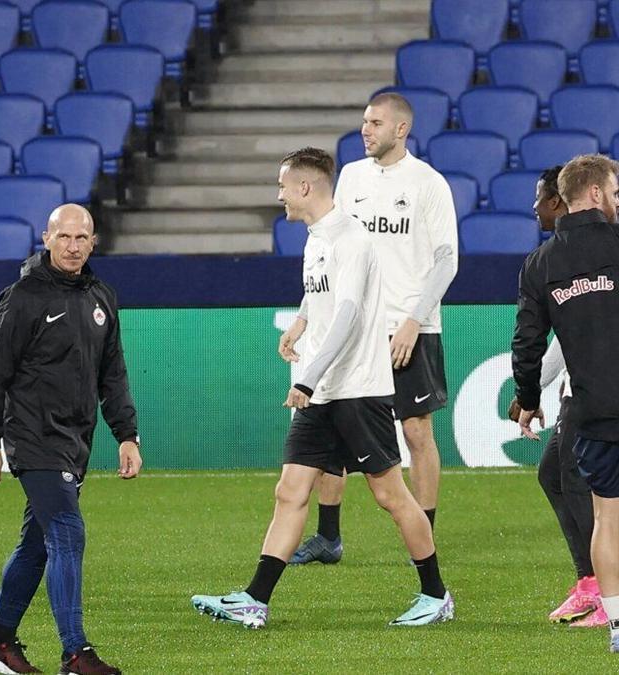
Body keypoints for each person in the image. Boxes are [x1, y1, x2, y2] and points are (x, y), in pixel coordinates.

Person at [191, 148, 453, 629]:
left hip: (357, 389)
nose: (279, 195)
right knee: (290, 491)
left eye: (283, 186)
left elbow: (351, 314)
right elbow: (323, 294)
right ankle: (255, 599)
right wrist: (300, 322)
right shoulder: (317, 239)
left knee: (391, 496)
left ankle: (436, 595)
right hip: (323, 392)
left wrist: (309, 377)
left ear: (305, 188)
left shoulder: (352, 238)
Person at [0, 203, 141, 675]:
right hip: (32, 435)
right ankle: (75, 654)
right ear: (46, 238)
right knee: (67, 531)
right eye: (63, 237)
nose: (72, 246)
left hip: (74, 439)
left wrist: (126, 434)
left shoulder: (102, 297)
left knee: (37, 545)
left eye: (81, 238)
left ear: (93, 242)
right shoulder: (24, 296)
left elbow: (113, 374)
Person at [290, 92, 458, 564]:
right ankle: (328, 538)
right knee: (333, 424)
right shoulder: (351, 177)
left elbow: (446, 261)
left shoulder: (429, 184)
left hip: (409, 327)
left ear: (401, 129)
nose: (366, 130)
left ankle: (424, 534)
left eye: (376, 123)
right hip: (354, 327)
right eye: (364, 121)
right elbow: (329, 248)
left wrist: (412, 320)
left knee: (417, 432)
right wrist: (305, 314)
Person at [513, 153, 619, 653]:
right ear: (597, 193)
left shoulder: (544, 263)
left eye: (541, 198)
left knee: (601, 510)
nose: (535, 208)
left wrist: (527, 397)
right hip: (588, 397)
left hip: (593, 403)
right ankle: (592, 587)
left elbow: (531, 342)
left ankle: (609, 605)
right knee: (556, 476)